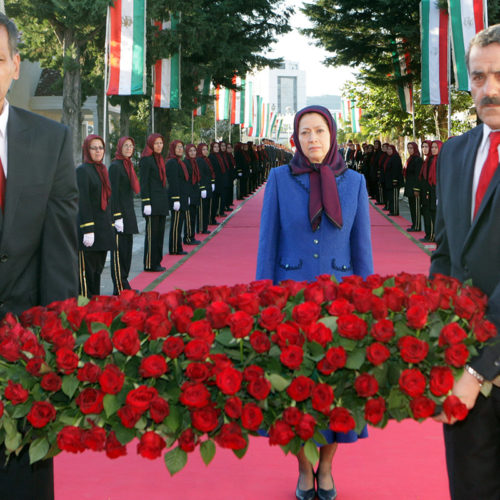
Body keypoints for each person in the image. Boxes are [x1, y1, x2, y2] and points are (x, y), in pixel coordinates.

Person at [256, 105, 373, 500]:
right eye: (305, 132)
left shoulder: (355, 182)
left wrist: (368, 304)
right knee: (297, 393)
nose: (313, 139)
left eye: (319, 131)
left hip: (341, 304)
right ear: (296, 138)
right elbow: (266, 245)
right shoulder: (278, 179)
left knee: (337, 392)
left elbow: (363, 251)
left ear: (332, 134)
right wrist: (263, 301)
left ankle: (326, 468)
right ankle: (304, 469)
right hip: (290, 302)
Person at [0, 15, 78, 499]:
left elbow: (58, 256)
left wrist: (57, 348)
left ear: (13, 66)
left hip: (23, 344)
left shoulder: (51, 142)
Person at [431, 24, 500, 500]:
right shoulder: (453, 153)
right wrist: (439, 343)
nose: (489, 88)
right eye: (478, 77)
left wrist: (478, 369)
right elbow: (444, 254)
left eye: (499, 74)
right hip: (461, 370)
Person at [77, 135, 115, 297]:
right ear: (87, 150)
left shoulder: (102, 169)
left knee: (97, 271)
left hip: (102, 229)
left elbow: (107, 198)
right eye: (94, 147)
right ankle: (83, 308)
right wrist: (88, 229)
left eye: (100, 147)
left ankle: (95, 304)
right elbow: (83, 201)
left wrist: (111, 224)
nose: (98, 151)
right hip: (89, 230)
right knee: (86, 274)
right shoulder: (82, 171)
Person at [109, 136, 140, 294]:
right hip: (119, 215)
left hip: (128, 213)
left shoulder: (128, 165)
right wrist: (117, 216)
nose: (129, 148)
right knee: (118, 252)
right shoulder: (115, 166)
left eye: (131, 146)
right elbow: (113, 193)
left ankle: (125, 283)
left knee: (127, 251)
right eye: (126, 146)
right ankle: (119, 287)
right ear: (120, 147)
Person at [139, 133, 169, 271]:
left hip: (161, 202)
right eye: (156, 143)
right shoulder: (146, 160)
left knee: (160, 234)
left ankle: (157, 262)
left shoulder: (159, 159)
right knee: (152, 235)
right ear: (151, 144)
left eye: (161, 143)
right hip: (151, 204)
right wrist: (146, 202)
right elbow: (144, 183)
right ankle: (149, 263)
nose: (159, 146)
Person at [166, 140, 190, 255]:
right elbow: (174, 182)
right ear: (173, 149)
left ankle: (178, 246)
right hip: (177, 198)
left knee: (179, 224)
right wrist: (176, 199)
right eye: (178, 147)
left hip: (183, 197)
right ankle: (174, 248)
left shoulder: (179, 162)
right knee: (176, 225)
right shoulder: (172, 162)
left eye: (181, 147)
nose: (180, 149)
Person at [403, 142, 422, 232]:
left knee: (416, 207)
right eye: (408, 148)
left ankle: (417, 226)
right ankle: (414, 224)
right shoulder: (410, 159)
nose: (410, 150)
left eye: (411, 148)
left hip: (415, 187)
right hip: (409, 186)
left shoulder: (418, 160)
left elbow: (418, 175)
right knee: (412, 206)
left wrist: (416, 189)